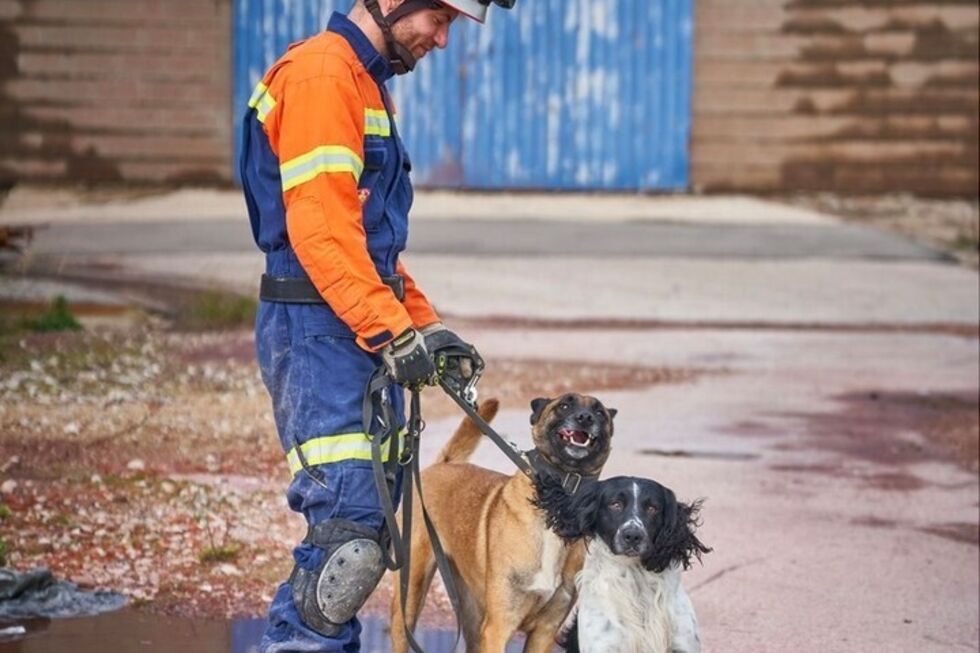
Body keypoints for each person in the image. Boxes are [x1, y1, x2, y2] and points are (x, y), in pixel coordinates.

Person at [239, 0, 513, 650]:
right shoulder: (323, 76)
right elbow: (323, 238)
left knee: (367, 531)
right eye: (439, 19)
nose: (441, 40)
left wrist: (427, 328)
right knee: (349, 539)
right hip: (318, 332)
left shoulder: (364, 84)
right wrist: (393, 331)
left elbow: (371, 252)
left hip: (350, 324)